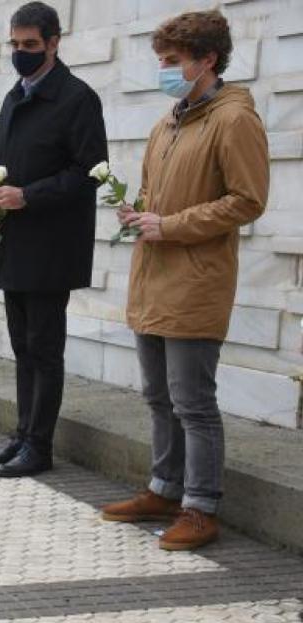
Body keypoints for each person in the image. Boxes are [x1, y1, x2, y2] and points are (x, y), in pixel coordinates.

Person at [101, 10, 269, 551]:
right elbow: (161, 199)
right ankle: (164, 488)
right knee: (157, 396)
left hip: (197, 281)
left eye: (172, 62)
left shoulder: (234, 119)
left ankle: (201, 507)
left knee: (193, 401)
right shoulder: (168, 121)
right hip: (153, 277)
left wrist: (168, 224)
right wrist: (138, 212)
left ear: (207, 60)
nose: (164, 71)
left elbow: (248, 201)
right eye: (162, 61)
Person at [0, 1, 107, 479]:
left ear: (53, 42)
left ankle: (40, 446)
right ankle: (23, 434)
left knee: (44, 349)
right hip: (14, 242)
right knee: (23, 348)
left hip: (52, 246)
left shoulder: (78, 98)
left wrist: (28, 195)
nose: (21, 53)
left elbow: (88, 174)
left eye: (30, 45)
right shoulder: (14, 96)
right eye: (15, 45)